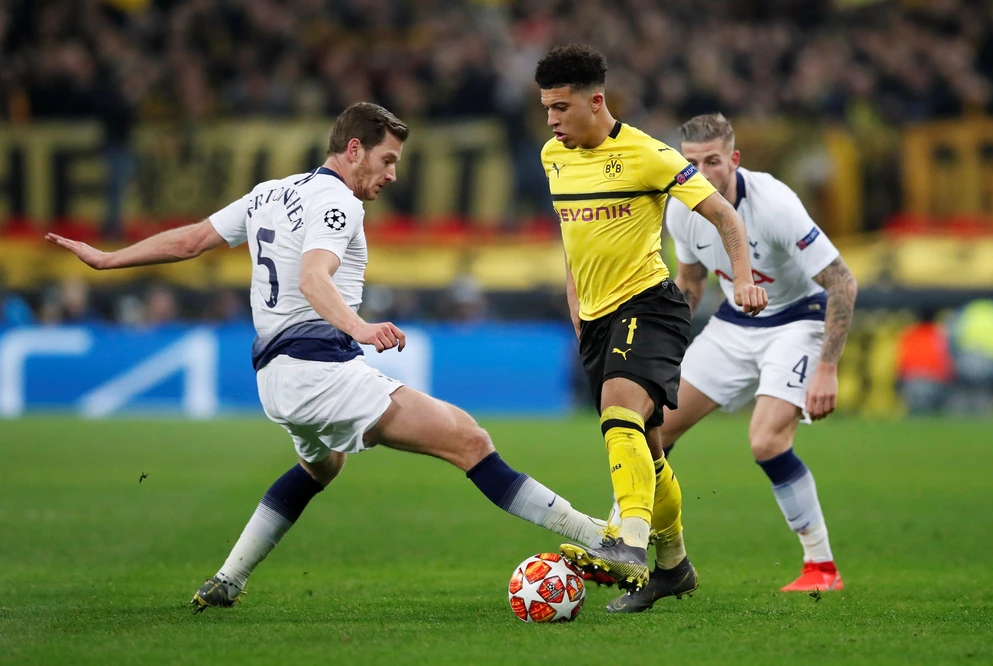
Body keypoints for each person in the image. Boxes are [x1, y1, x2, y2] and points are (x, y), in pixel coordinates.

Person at [46, 102, 611, 613]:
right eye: (387, 160)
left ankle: (227, 579)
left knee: (322, 466)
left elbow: (192, 240)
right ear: (354, 149)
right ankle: (600, 540)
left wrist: (109, 259)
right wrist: (360, 327)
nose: (393, 174)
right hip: (317, 368)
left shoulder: (269, 192)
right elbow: (313, 277)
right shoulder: (338, 202)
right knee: (469, 439)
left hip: (276, 375)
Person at [534, 46, 768, 597]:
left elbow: (725, 216)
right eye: (547, 108)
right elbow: (574, 237)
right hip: (595, 318)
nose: (551, 121)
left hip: (650, 305)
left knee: (618, 410)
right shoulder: (553, 156)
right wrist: (574, 299)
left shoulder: (648, 154)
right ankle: (674, 565)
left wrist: (742, 279)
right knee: (650, 450)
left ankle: (628, 544)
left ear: (596, 102)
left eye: (561, 108)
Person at [607, 113, 857, 612]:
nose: (700, 172)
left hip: (797, 320)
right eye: (691, 162)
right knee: (653, 424)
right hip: (734, 325)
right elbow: (691, 282)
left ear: (734, 160)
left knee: (766, 441)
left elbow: (842, 283)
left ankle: (821, 566)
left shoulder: (775, 204)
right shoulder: (682, 209)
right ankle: (618, 539)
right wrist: (664, 350)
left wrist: (827, 368)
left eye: (712, 162)